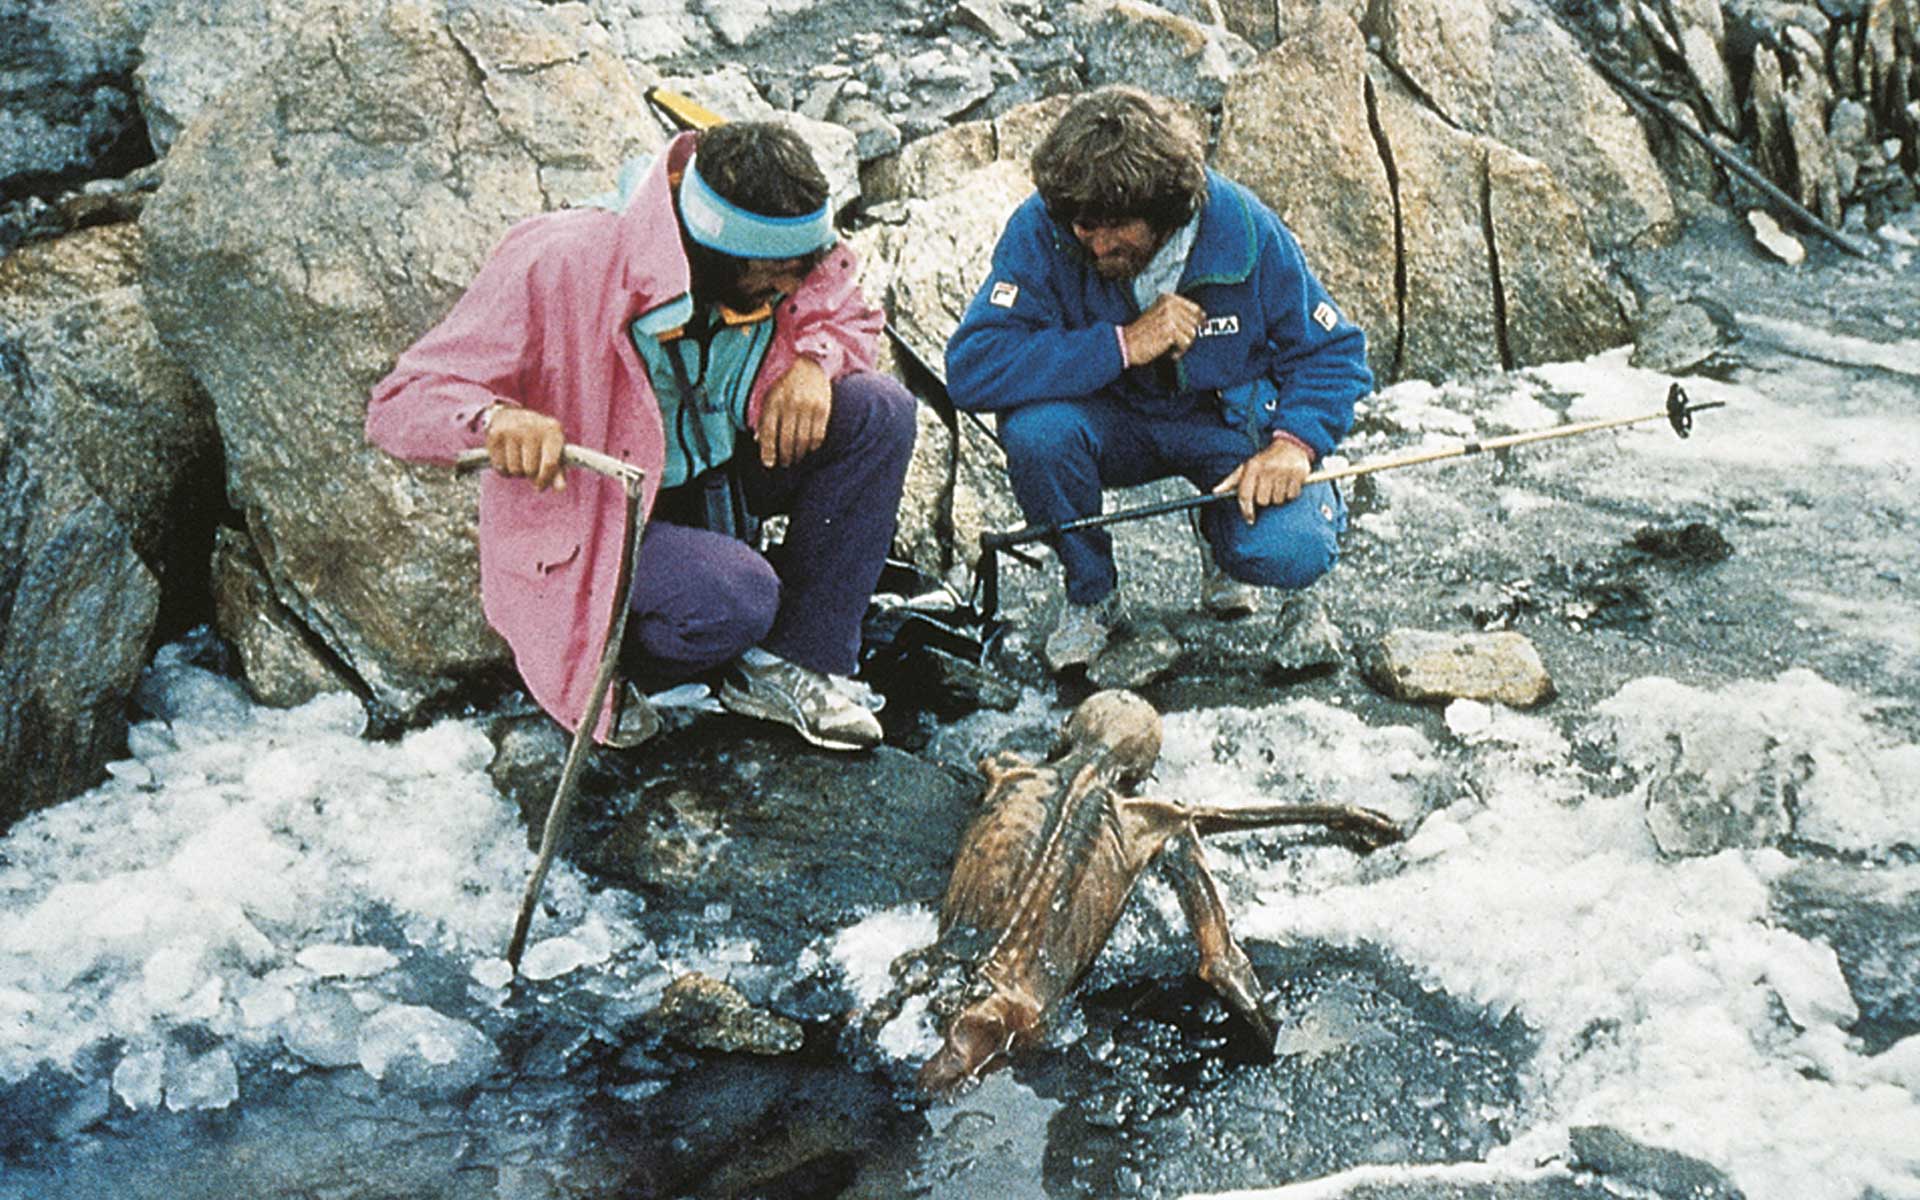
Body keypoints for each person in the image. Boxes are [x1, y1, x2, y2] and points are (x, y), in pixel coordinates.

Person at [367, 121, 915, 751]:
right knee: (739, 595)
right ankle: (642, 666)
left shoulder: (790, 256)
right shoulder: (562, 260)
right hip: (602, 520)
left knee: (879, 410)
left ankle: (794, 661)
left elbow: (836, 299)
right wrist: (497, 422)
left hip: (723, 476)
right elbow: (400, 401)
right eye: (775, 273)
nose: (792, 290)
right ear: (710, 252)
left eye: (801, 268)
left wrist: (817, 363)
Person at [945, 86, 1371, 670]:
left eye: (1114, 227)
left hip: (1224, 421)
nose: (1093, 243)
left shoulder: (1244, 227)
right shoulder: (1042, 228)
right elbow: (973, 366)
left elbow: (1333, 352)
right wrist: (1122, 344)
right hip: (1109, 420)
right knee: (1036, 433)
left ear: (1165, 210)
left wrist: (1294, 447)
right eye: (1082, 225)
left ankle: (1224, 538)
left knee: (1290, 549)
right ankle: (1094, 593)